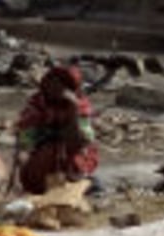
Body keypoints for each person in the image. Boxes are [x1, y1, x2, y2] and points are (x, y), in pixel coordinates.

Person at [13, 63, 99, 193]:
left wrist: (72, 111)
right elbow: (26, 136)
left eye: (61, 84)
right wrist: (23, 153)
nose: (54, 87)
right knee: (41, 161)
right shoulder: (37, 104)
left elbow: (79, 142)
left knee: (72, 160)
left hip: (71, 154)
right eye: (50, 82)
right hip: (43, 154)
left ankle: (76, 183)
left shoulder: (79, 106)